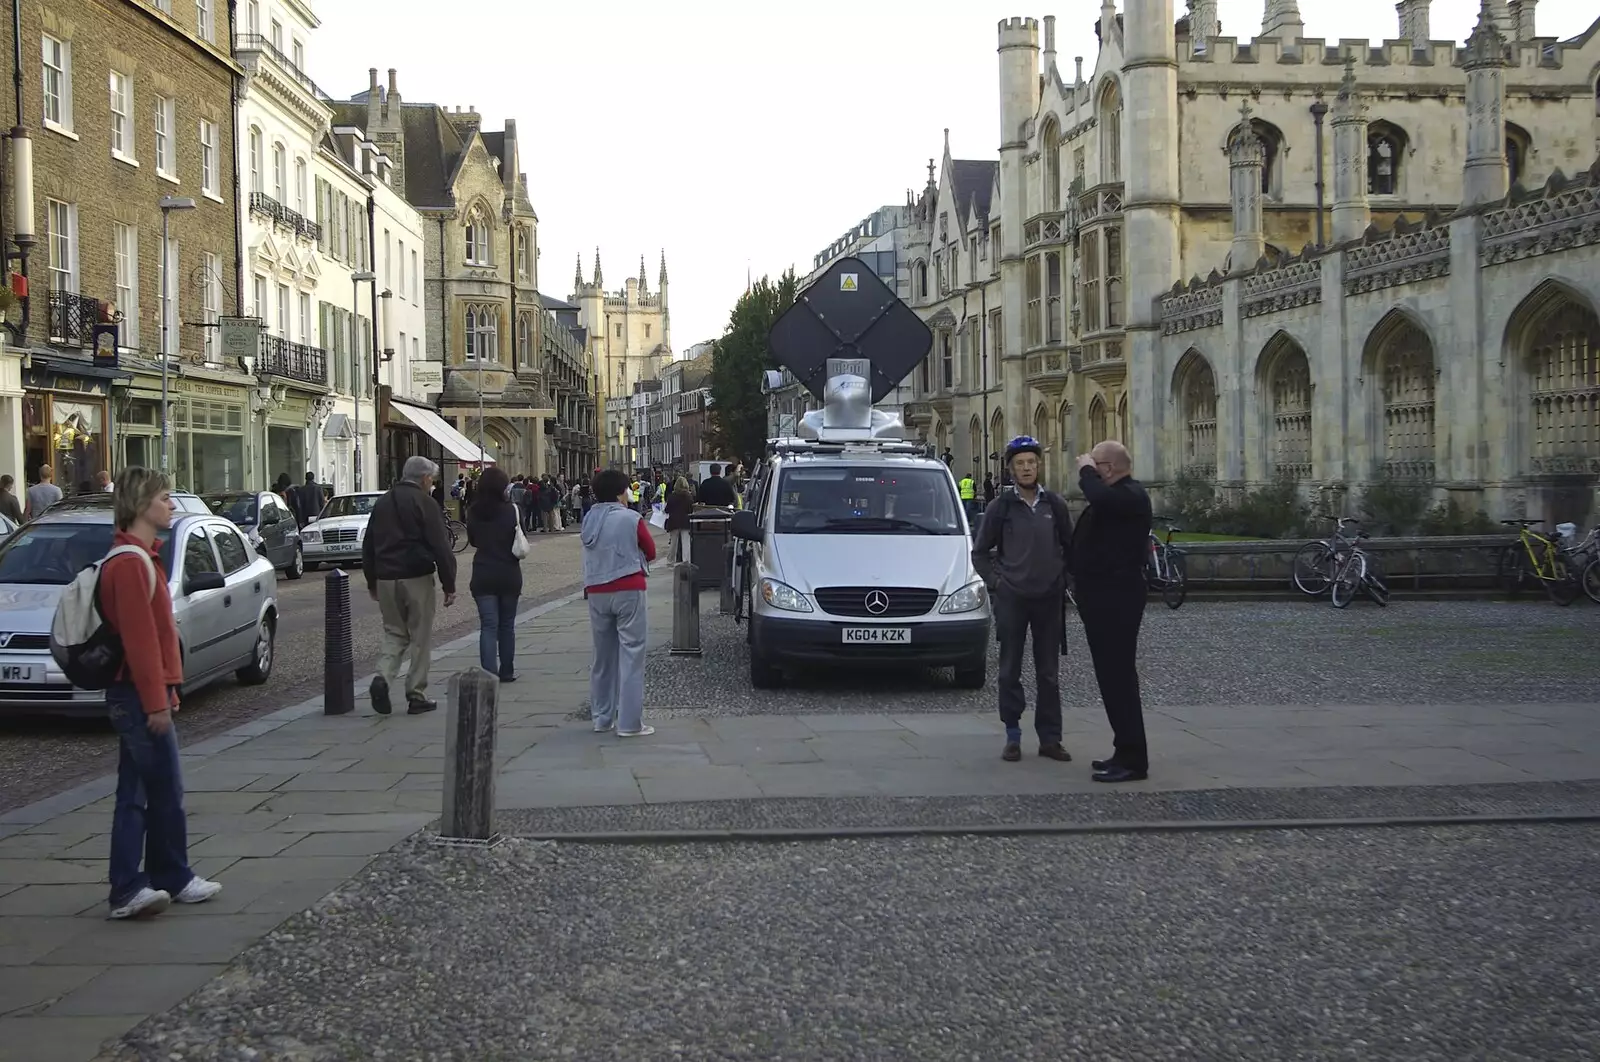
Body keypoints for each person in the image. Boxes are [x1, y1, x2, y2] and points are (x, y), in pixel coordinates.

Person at [101, 466, 222, 919]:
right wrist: (158, 701)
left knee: (137, 789)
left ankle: (142, 882)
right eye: (165, 498)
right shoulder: (131, 564)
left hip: (137, 694)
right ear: (140, 505)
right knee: (163, 789)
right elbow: (141, 643)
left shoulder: (139, 557)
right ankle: (155, 880)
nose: (172, 506)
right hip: (136, 695)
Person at [971, 436, 1074, 763]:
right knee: (1009, 670)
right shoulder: (1000, 507)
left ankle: (1050, 739)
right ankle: (1013, 736)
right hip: (1013, 599)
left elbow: (1072, 549)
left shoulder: (1054, 504)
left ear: (1038, 465)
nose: (1026, 468)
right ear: (1011, 469)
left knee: (1048, 673)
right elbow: (980, 553)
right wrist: (998, 583)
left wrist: (1064, 581)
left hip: (1048, 600)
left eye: (1031, 462)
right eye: (1020, 463)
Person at [1073, 440, 1154, 783]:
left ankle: (1134, 760)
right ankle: (1124, 749)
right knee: (1111, 678)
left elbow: (1099, 498)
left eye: (1096, 465)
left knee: (1119, 678)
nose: (1091, 471)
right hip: (1102, 596)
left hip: (1117, 597)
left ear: (1107, 467)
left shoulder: (1130, 494)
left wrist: (1085, 470)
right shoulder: (1117, 498)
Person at [362, 455, 458, 715]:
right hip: (416, 576)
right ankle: (416, 694)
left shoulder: (382, 503)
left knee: (394, 632)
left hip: (385, 578)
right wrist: (449, 583)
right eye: (432, 480)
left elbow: (368, 543)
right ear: (425, 478)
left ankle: (383, 677)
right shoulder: (425, 503)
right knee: (420, 636)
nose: (432, 484)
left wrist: (372, 580)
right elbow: (440, 545)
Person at [582, 468, 657, 737]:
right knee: (632, 654)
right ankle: (629, 723)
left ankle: (601, 719)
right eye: (625, 489)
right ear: (619, 492)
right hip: (628, 587)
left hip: (596, 589)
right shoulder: (630, 518)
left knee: (602, 657)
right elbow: (651, 550)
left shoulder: (589, 519)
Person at [467, 466, 522, 682]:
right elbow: (520, 537)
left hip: (483, 572)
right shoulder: (512, 510)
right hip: (509, 572)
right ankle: (507, 670)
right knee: (507, 625)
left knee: (488, 626)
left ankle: (489, 673)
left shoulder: (473, 511)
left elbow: (472, 540)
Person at [664, 475, 693, 563]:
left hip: (674, 521)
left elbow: (667, 510)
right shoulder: (688, 496)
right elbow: (690, 510)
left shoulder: (672, 496)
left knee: (673, 543)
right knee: (686, 542)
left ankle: (670, 560)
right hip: (685, 521)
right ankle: (686, 560)